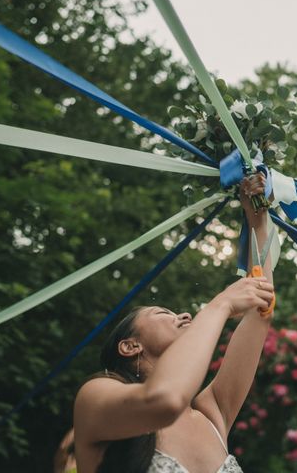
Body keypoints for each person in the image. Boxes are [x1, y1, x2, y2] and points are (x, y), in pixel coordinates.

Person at [74, 174, 275, 473]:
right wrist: (220, 305)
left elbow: (263, 310)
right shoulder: (95, 396)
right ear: (130, 346)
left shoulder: (212, 413)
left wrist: (257, 220)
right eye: (162, 313)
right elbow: (164, 399)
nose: (184, 316)